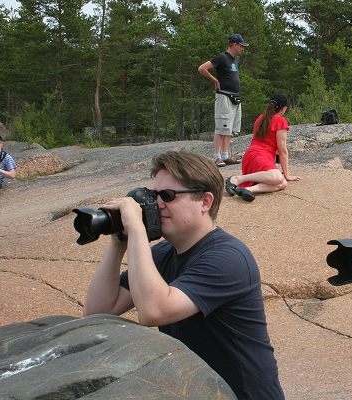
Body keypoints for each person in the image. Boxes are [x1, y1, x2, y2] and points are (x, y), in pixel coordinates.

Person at [82, 150, 285, 400]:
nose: (157, 204)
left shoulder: (228, 258)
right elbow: (98, 312)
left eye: (168, 196)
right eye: (155, 195)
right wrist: (118, 241)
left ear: (205, 202)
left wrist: (136, 228)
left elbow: (154, 311)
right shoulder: (162, 254)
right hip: (200, 391)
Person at [224, 94, 301, 202]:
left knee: (282, 183)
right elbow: (282, 151)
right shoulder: (280, 121)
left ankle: (246, 189)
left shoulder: (261, 117)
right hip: (260, 157)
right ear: (284, 109)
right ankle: (237, 179)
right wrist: (287, 174)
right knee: (278, 177)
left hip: (250, 157)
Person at [198, 33, 248, 168]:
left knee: (229, 127)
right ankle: (217, 156)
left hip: (234, 97)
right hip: (224, 96)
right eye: (241, 46)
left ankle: (225, 156)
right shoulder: (222, 57)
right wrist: (214, 79)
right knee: (221, 126)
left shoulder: (234, 59)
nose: (243, 48)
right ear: (235, 45)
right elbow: (202, 68)